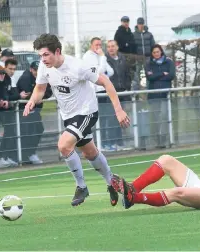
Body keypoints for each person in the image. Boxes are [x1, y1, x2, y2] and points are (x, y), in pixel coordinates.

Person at [23, 34, 130, 207]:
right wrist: (32, 100)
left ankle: (81, 186)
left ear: (57, 51)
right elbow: (40, 88)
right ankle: (112, 182)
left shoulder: (78, 66)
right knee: (90, 153)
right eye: (40, 55)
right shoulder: (45, 67)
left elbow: (106, 82)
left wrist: (118, 110)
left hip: (87, 112)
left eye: (45, 55)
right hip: (69, 116)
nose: (42, 59)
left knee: (64, 145)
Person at [17, 60, 52, 164]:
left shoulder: (42, 77)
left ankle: (30, 153)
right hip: (25, 111)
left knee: (38, 129)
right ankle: (25, 155)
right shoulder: (25, 78)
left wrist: (40, 96)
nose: (38, 72)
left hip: (35, 110)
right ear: (31, 69)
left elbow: (49, 91)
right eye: (36, 70)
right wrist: (38, 96)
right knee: (27, 132)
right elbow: (28, 94)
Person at [146, 44, 175, 148]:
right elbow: (150, 77)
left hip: (164, 95)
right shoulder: (149, 63)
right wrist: (163, 73)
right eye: (154, 52)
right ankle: (157, 141)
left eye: (158, 52)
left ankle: (165, 140)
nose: (156, 54)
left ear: (161, 52)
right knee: (155, 119)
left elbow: (171, 75)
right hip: (153, 96)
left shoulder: (169, 62)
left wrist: (157, 76)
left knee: (164, 117)